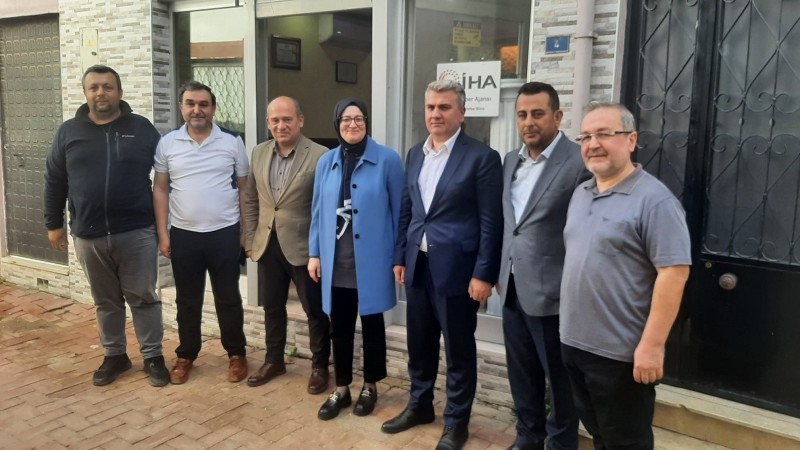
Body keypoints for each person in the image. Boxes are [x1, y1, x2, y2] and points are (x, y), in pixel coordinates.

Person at [560, 102, 692, 449]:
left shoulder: (655, 201)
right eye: (586, 136)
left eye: (604, 134)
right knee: (600, 435)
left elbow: (674, 274)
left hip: (620, 354)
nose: (593, 144)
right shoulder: (581, 193)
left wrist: (652, 346)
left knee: (627, 442)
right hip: (575, 344)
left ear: (631, 140)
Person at [384, 80, 503, 450]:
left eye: (445, 107)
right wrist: (400, 256)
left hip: (458, 271)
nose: (436, 114)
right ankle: (420, 405)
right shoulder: (415, 154)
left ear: (461, 113)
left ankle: (456, 422)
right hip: (418, 265)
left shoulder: (482, 157)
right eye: (431, 107)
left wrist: (484, 273)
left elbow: (491, 222)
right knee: (419, 344)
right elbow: (408, 210)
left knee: (458, 350)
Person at [43, 64, 169, 387]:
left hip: (137, 231)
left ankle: (153, 356)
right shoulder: (68, 132)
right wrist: (53, 224)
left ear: (120, 92)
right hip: (89, 234)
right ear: (85, 93)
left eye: (108, 87)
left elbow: (167, 174)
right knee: (106, 301)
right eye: (94, 87)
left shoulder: (141, 128)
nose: (101, 93)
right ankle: (115, 355)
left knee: (143, 297)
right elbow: (55, 179)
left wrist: (167, 225)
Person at [497, 82, 590, 450]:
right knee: (521, 372)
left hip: (554, 292)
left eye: (537, 114)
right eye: (522, 115)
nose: (529, 122)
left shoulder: (578, 161)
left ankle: (562, 443)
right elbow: (512, 225)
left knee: (560, 379)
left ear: (557, 116)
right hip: (512, 286)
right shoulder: (510, 161)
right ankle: (528, 437)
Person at [308, 98, 404, 420]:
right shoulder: (326, 162)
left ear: (367, 122)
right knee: (341, 327)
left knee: (373, 325)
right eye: (346, 119)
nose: (353, 124)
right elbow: (317, 212)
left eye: (359, 118)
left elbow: (400, 213)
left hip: (373, 261)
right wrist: (314, 253)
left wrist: (398, 256)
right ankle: (342, 388)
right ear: (337, 124)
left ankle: (370, 386)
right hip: (336, 262)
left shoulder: (388, 160)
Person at [153, 81, 249, 385]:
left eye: (203, 104)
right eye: (191, 104)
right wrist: (163, 234)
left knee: (229, 298)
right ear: (181, 107)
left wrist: (245, 231)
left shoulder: (232, 142)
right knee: (187, 301)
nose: (197, 110)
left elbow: (245, 189)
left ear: (213, 108)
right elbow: (160, 189)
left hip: (224, 233)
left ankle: (236, 354)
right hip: (184, 235)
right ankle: (186, 356)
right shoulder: (167, 143)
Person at [242, 96, 332, 394]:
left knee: (314, 310)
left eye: (287, 119)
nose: (281, 125)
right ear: (268, 123)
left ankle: (320, 366)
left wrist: (320, 250)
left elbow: (325, 208)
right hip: (267, 243)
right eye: (275, 120)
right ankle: (274, 360)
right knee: (272, 307)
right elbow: (251, 199)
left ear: (300, 121)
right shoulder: (258, 152)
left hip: (305, 248)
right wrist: (250, 239)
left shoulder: (320, 156)